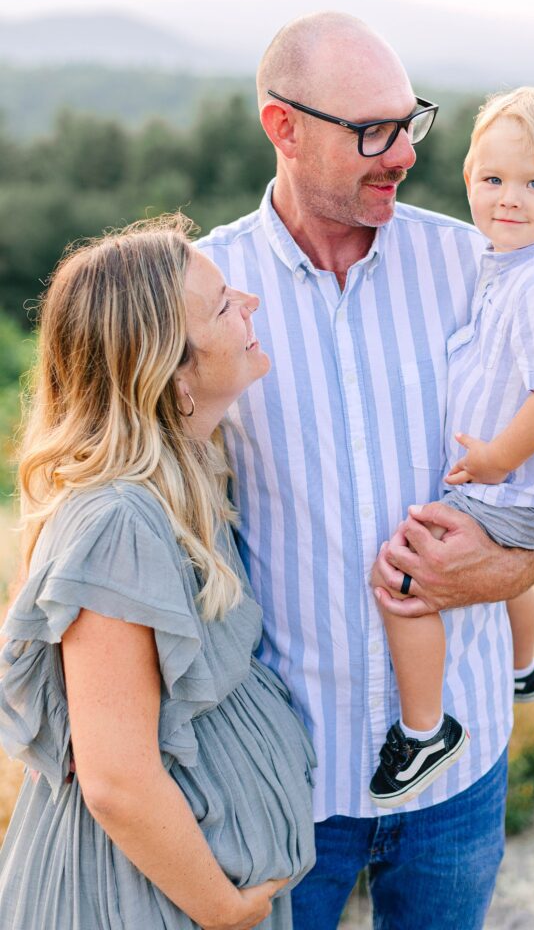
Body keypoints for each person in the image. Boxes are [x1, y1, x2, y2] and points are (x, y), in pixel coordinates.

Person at [196, 13, 534, 929]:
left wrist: (510, 572)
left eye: (408, 122)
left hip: (460, 777)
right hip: (281, 778)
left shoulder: (490, 266)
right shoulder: (204, 295)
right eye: (370, 131)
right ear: (283, 127)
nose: (403, 155)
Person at [0, 216, 315, 930]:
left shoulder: (188, 477)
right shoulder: (117, 523)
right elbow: (116, 779)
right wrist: (225, 908)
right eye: (223, 304)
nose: (251, 306)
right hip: (145, 899)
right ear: (170, 373)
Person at [369, 87, 534, 808]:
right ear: (468, 179)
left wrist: (494, 461)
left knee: (404, 577)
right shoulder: (512, 265)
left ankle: (423, 731)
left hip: (518, 487)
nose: (509, 199)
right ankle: (521, 667)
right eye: (493, 180)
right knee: (510, 572)